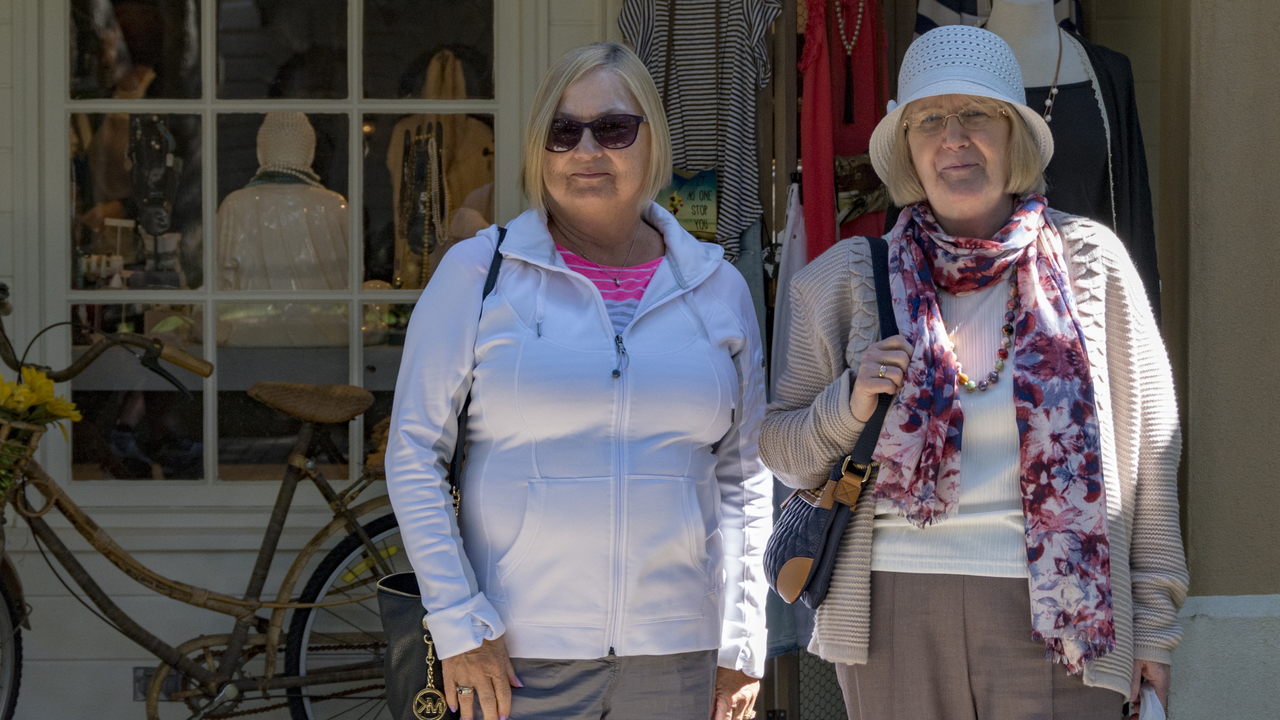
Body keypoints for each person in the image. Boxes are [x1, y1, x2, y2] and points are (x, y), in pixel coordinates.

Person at [760, 26, 1187, 719]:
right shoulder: (844, 280)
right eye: (929, 120)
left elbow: (1151, 457)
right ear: (907, 149)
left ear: (1015, 137)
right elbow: (782, 451)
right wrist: (849, 403)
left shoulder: (1094, 263)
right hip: (892, 614)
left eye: (977, 114)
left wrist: (1157, 627)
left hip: (1066, 617)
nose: (953, 138)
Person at [386, 42, 771, 720]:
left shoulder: (717, 287)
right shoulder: (479, 274)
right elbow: (414, 452)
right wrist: (458, 620)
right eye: (563, 132)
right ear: (539, 149)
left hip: (677, 657)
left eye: (613, 128)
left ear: (652, 141)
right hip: (511, 659)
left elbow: (746, 475)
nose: (586, 151)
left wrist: (743, 639)